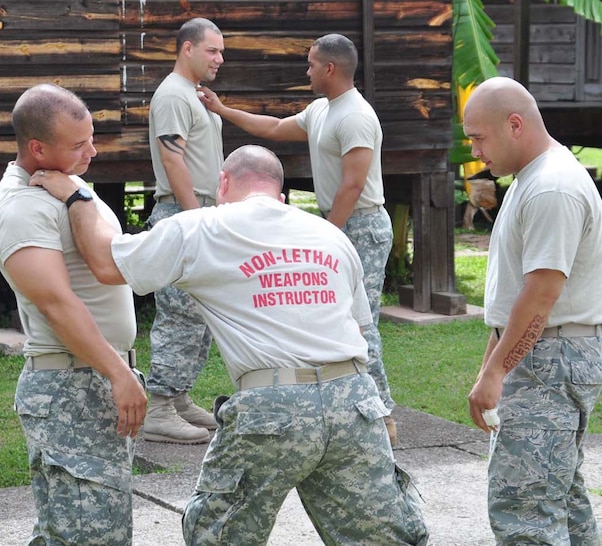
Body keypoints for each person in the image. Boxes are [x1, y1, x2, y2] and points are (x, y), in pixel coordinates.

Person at [32, 144, 429, 546]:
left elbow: (104, 262)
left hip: (273, 406)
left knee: (219, 534)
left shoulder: (202, 227)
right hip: (356, 401)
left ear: (223, 184)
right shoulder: (330, 234)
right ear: (281, 194)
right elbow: (360, 332)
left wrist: (77, 195)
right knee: (383, 538)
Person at [197, 33, 399, 444]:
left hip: (360, 225)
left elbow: (353, 185)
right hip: (340, 223)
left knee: (362, 324)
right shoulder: (322, 110)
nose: (306, 72)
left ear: (329, 68)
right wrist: (223, 109)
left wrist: (329, 233)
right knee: (341, 320)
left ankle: (384, 417)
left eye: (310, 65)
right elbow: (273, 127)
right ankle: (355, 407)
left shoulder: (356, 115)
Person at [0, 84, 147, 545]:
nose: (92, 151)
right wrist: (119, 374)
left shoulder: (64, 185)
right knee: (89, 534)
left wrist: (78, 195)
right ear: (37, 148)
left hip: (90, 378)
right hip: (71, 385)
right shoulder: (23, 208)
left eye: (90, 138)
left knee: (75, 529)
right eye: (78, 145)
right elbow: (56, 305)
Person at [464, 77, 602, 545]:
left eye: (478, 137)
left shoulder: (551, 187)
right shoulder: (535, 178)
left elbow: (542, 292)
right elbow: (511, 295)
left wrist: (496, 372)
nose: (474, 150)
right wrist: (491, 367)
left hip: (551, 358)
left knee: (525, 512)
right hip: (549, 353)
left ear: (514, 124)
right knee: (561, 500)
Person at [142, 17, 226, 444]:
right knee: (178, 314)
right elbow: (174, 162)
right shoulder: (173, 95)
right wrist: (195, 220)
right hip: (182, 213)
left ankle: (178, 399)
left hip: (200, 212)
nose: (219, 58)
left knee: (197, 314)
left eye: (222, 51)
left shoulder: (194, 97)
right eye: (212, 50)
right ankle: (158, 408)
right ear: (187, 49)